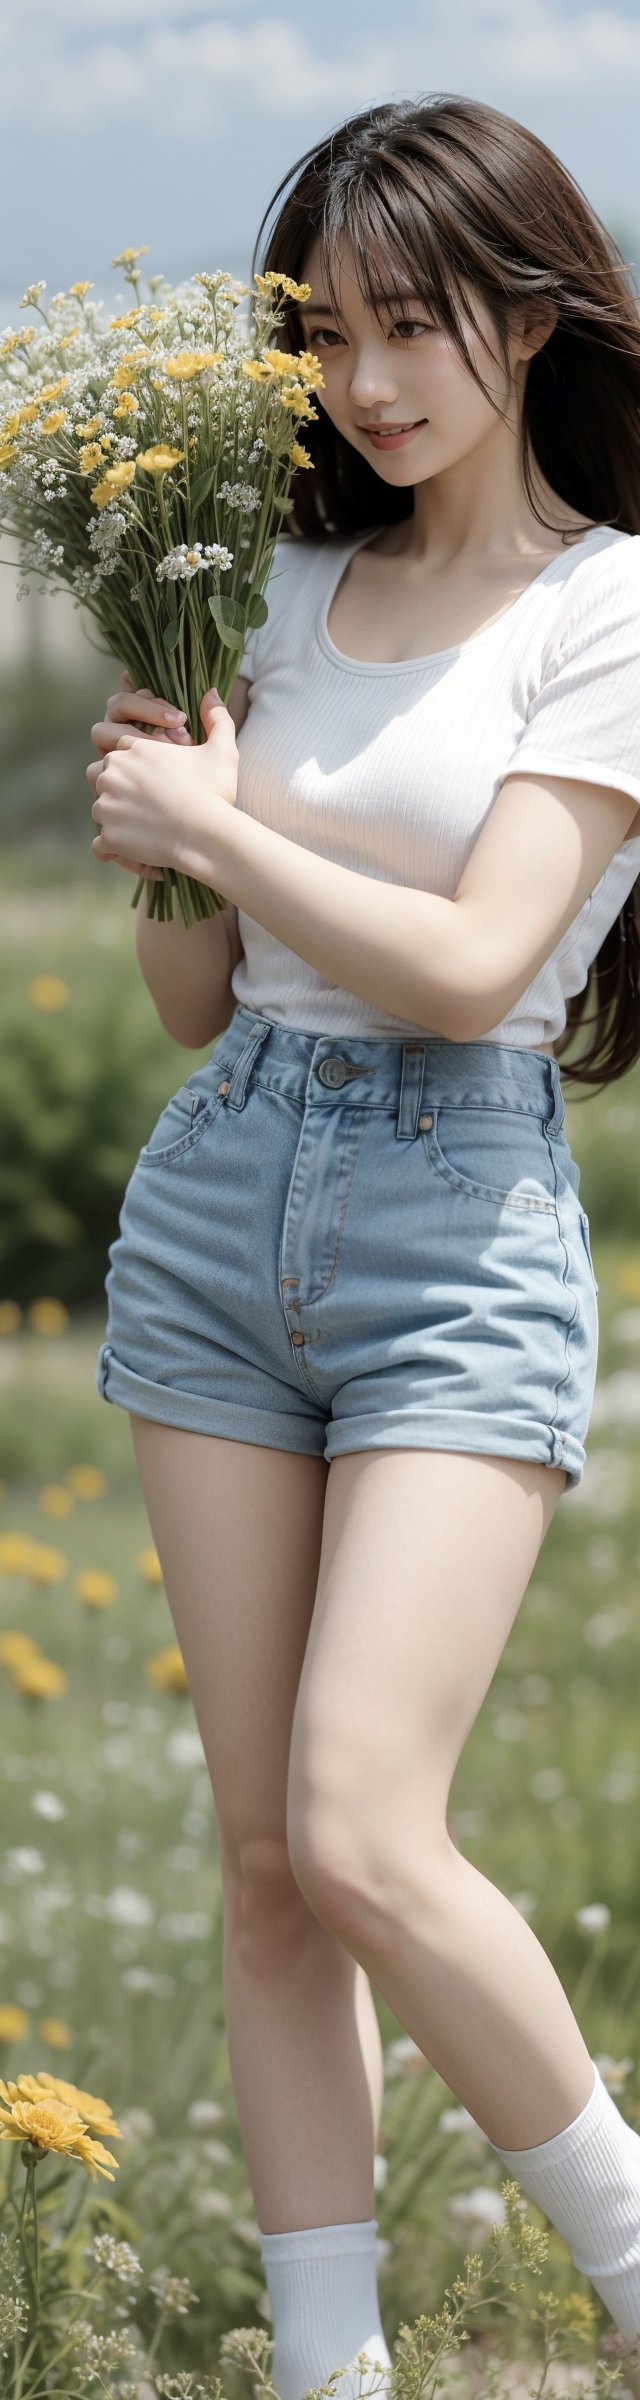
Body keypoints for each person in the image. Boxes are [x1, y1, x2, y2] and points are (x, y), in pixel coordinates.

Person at [88, 93, 640, 2400]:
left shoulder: (609, 604)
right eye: (325, 335)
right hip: (223, 1203)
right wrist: (171, 849)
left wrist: (226, 818)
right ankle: (331, 2365)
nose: (368, 382)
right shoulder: (274, 588)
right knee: (257, 1854)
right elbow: (207, 996)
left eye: (415, 326)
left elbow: (467, 964)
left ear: (529, 311)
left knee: (361, 1824)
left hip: (454, 1218)